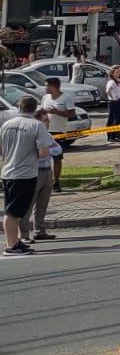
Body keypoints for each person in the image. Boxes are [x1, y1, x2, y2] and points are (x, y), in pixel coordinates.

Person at [1, 95, 49, 255]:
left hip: (8, 171)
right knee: (13, 212)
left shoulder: (7, 124)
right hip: (25, 173)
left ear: (19, 107)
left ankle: (15, 241)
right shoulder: (36, 125)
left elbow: (1, 150)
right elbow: (43, 153)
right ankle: (10, 245)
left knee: (15, 210)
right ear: (35, 108)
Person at [20, 109, 59, 243]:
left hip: (48, 171)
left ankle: (40, 230)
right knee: (29, 204)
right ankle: (24, 234)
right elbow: (39, 154)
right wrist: (47, 150)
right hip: (35, 172)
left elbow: (57, 149)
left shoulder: (47, 135)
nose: (48, 122)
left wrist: (47, 150)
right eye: (46, 119)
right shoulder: (33, 134)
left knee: (43, 203)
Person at [104, 65, 120, 142]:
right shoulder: (111, 81)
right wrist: (112, 98)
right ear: (112, 73)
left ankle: (113, 136)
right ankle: (111, 136)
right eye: (116, 72)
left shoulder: (117, 81)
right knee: (116, 119)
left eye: (118, 72)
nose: (118, 74)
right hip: (114, 102)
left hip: (118, 101)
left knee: (116, 118)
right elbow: (107, 91)